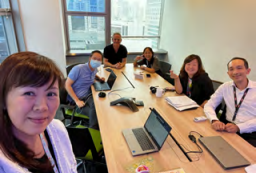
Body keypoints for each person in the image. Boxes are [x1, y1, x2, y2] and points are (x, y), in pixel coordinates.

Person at [0, 52, 77, 172]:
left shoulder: (57, 129)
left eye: (51, 94)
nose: (42, 107)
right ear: (3, 99)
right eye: (29, 93)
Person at [204, 57, 256, 147]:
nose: (235, 72)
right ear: (228, 73)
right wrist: (214, 120)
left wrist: (239, 127)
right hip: (226, 128)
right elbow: (209, 105)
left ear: (248, 71)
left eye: (239, 68)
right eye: (231, 69)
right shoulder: (225, 87)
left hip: (250, 133)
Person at [65, 50, 104, 129]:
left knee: (100, 106)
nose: (96, 61)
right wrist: (77, 101)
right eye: (94, 58)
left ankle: (97, 127)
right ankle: (93, 129)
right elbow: (67, 85)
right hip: (76, 100)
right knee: (96, 112)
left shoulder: (94, 69)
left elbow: (93, 75)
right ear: (90, 58)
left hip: (87, 96)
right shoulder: (78, 69)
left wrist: (99, 79)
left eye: (99, 59)